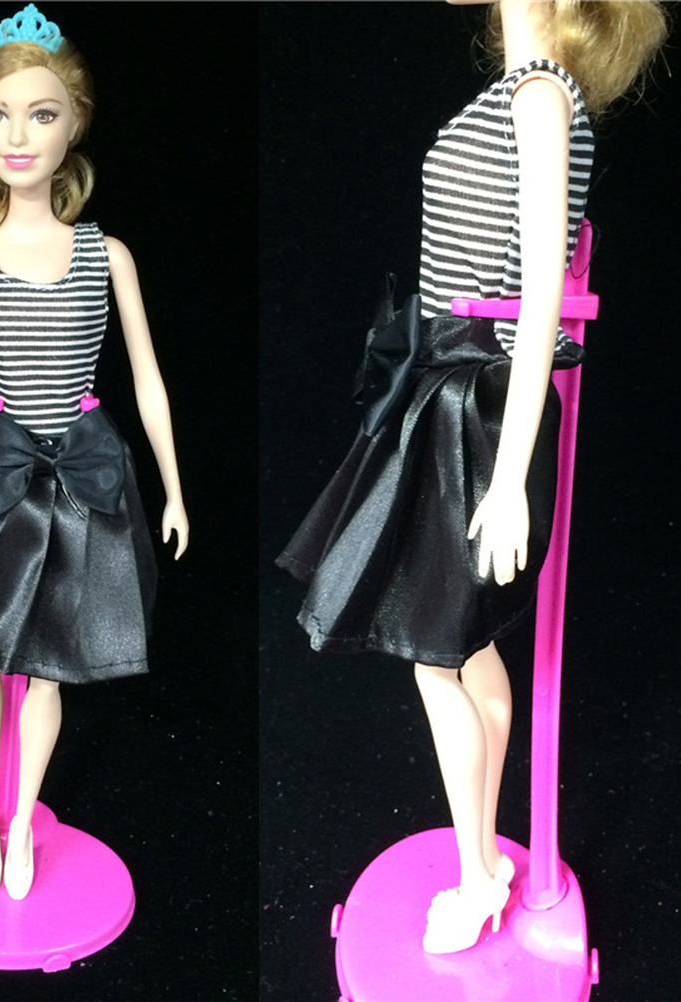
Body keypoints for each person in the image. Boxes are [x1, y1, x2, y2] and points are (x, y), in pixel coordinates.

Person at [278, 0, 665, 953]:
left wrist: (508, 473)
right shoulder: (523, 93)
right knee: (464, 644)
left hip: (476, 400)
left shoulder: (539, 96)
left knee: (433, 653)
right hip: (448, 378)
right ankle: (484, 859)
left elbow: (541, 300)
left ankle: (476, 873)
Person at [0, 4, 188, 900]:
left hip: (79, 476)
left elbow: (148, 377)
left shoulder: (107, 255)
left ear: (74, 124)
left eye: (42, 113)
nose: (18, 136)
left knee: (50, 665)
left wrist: (175, 489)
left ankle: (23, 822)